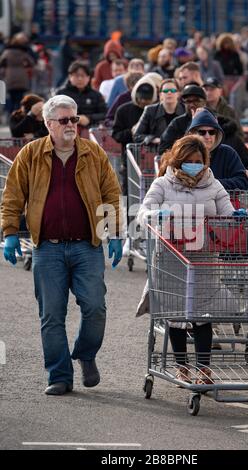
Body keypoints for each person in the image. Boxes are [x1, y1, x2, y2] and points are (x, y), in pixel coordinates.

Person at [1, 95, 123, 396]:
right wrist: (10, 232)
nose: (72, 125)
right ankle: (59, 375)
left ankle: (85, 353)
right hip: (48, 248)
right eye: (64, 120)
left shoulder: (93, 153)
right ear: (48, 124)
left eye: (75, 120)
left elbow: (111, 194)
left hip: (87, 246)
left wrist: (117, 233)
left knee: (95, 307)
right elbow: (13, 195)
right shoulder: (30, 154)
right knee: (51, 315)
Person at [137, 134, 235, 384]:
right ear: (178, 161)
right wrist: (158, 214)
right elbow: (143, 212)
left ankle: (204, 369)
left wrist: (237, 217)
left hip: (204, 258)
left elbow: (228, 212)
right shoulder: (163, 184)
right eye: (189, 160)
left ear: (205, 161)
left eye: (199, 160)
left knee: (203, 315)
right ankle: (182, 366)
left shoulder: (213, 184)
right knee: (176, 314)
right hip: (171, 258)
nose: (194, 165)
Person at [133, 78, 184, 145]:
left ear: (178, 94)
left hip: (180, 151)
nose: (169, 93)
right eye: (165, 91)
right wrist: (153, 139)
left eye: (173, 90)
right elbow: (137, 136)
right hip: (156, 151)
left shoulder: (185, 110)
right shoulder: (150, 110)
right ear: (160, 95)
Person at [56, 61, 107, 128]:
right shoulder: (61, 94)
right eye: (77, 76)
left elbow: (104, 114)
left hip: (90, 129)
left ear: (88, 78)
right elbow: (53, 114)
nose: (80, 79)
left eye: (83, 76)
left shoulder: (96, 95)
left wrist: (89, 118)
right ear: (70, 76)